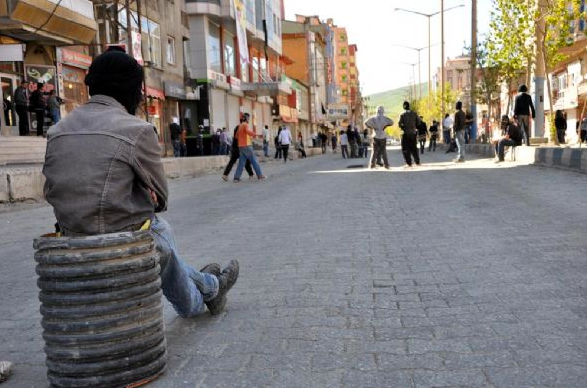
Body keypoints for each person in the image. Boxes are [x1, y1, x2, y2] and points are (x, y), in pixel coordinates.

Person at [42, 47, 239, 319]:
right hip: (117, 241)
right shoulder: (137, 129)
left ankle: (208, 284)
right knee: (159, 231)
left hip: (70, 237)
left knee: (158, 236)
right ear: (132, 89)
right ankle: (206, 292)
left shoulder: (57, 130)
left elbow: (51, 190)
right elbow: (161, 198)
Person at [233, 113, 266, 181]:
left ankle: (236, 177)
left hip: (241, 147)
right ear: (246, 119)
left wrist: (243, 137)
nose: (249, 119)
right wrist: (257, 135)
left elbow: (236, 136)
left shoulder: (240, 126)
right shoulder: (245, 125)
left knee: (241, 163)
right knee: (254, 161)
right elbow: (249, 132)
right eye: (248, 118)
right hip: (247, 146)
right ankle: (260, 176)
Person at [398, 101, 421, 167]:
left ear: (404, 106)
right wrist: (414, 127)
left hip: (405, 134)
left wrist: (403, 127)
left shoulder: (402, 115)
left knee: (405, 149)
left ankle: (409, 163)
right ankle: (417, 162)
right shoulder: (414, 113)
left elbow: (399, 124)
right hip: (413, 133)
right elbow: (419, 122)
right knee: (414, 148)